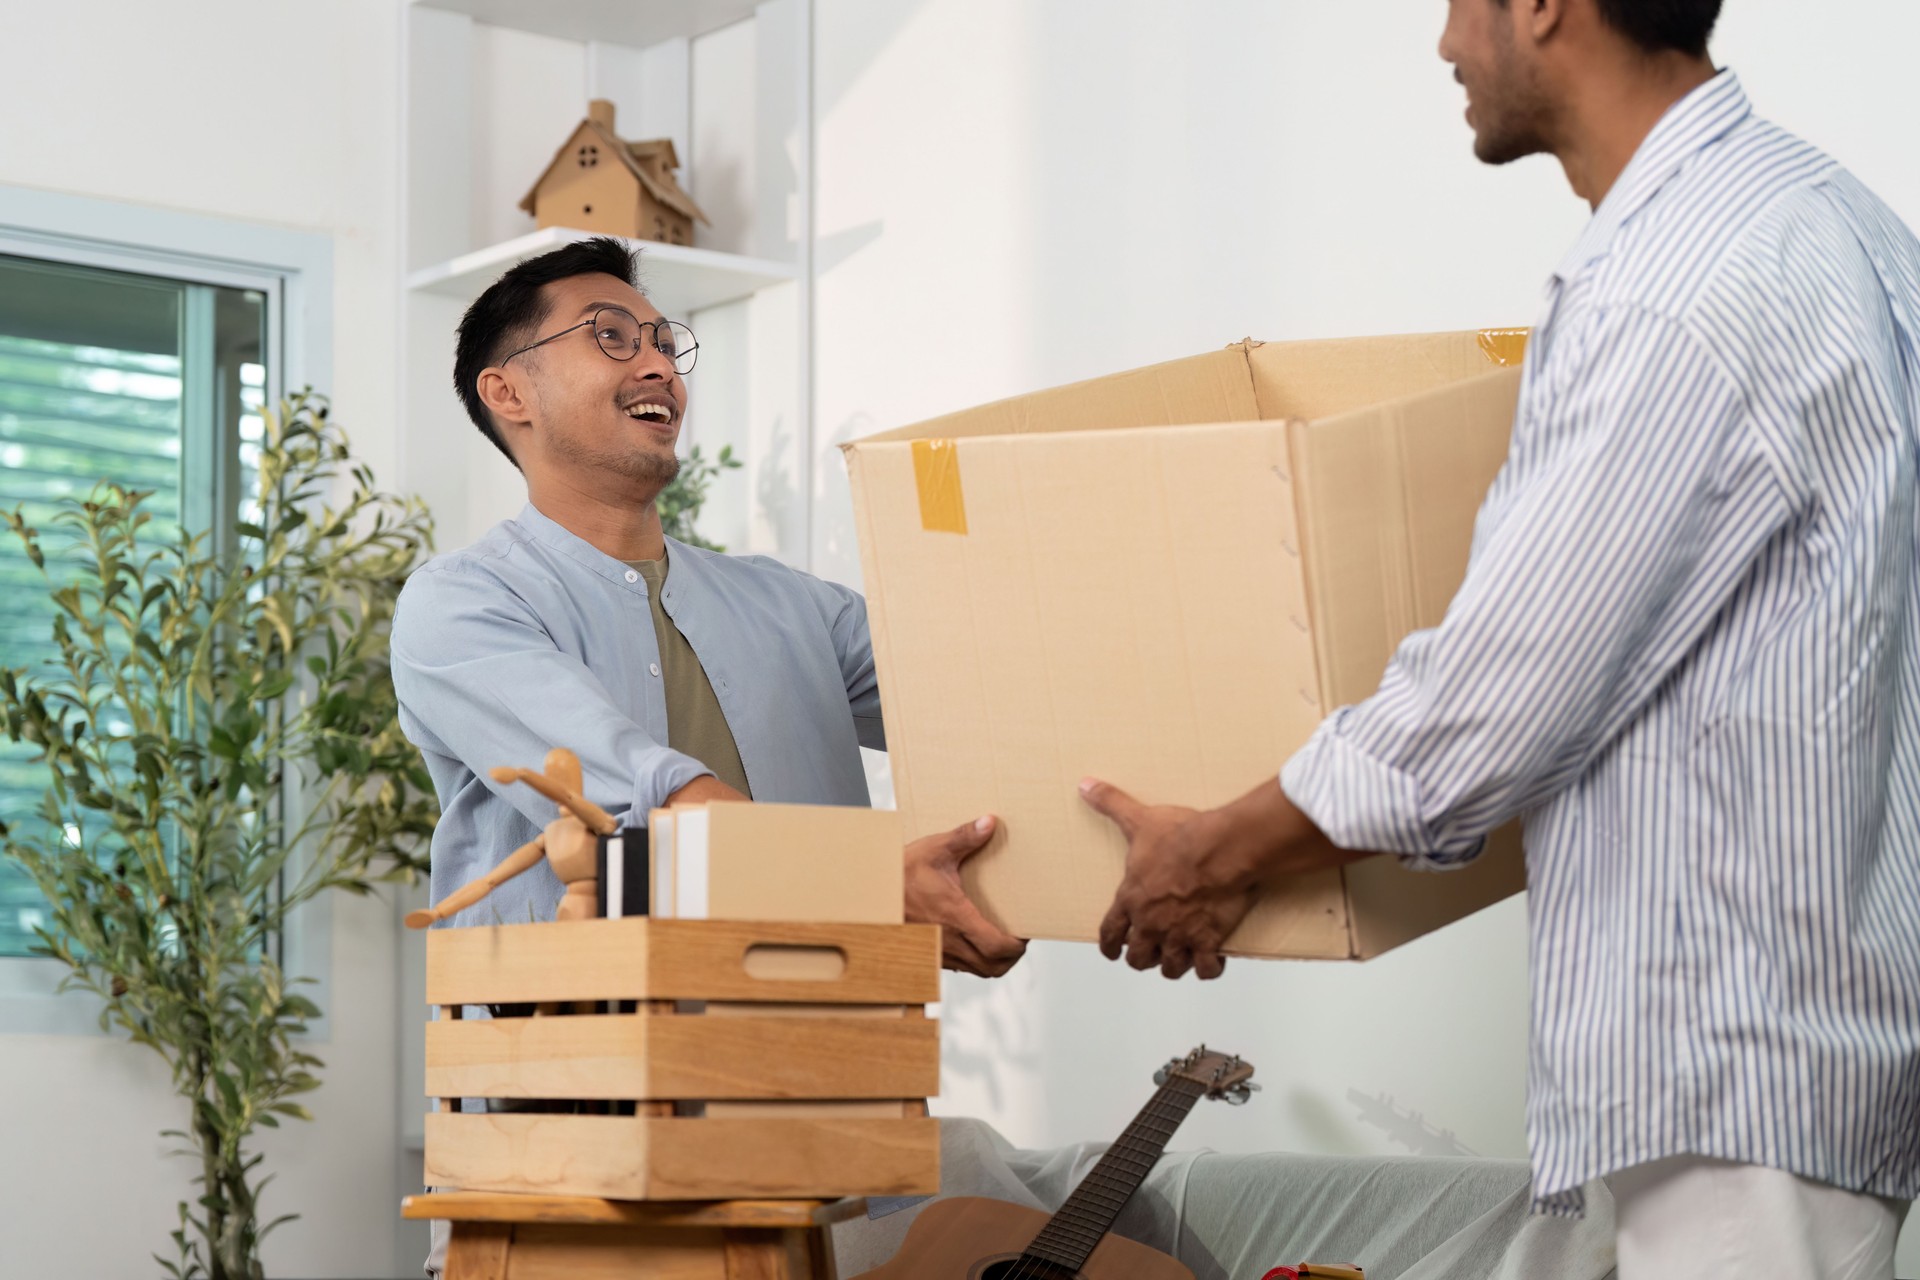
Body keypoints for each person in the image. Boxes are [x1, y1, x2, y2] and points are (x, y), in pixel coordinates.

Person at [1080, 1, 1920, 1275]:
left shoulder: (1675, 285)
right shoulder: (1838, 220)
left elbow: (1492, 708)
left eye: (1461, 3)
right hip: (1807, 1036)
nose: (1444, 45)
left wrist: (1207, 848)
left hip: (1736, 1073)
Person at [391, 236, 1026, 979]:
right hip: (583, 1072)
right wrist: (876, 887)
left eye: (664, 343)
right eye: (613, 337)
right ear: (509, 394)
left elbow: (987, 715)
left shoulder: (797, 607)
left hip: (839, 1047)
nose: (659, 365)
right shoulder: (462, 605)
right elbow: (644, 805)